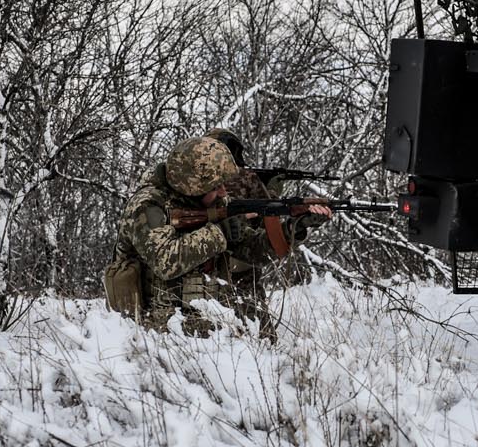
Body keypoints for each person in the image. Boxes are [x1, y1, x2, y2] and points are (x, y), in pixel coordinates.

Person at [107, 132, 330, 336]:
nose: (224, 192)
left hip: (205, 325)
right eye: (216, 187)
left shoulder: (213, 201)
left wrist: (295, 228)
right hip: (148, 331)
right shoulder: (147, 205)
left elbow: (250, 250)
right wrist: (219, 233)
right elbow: (166, 261)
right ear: (193, 186)